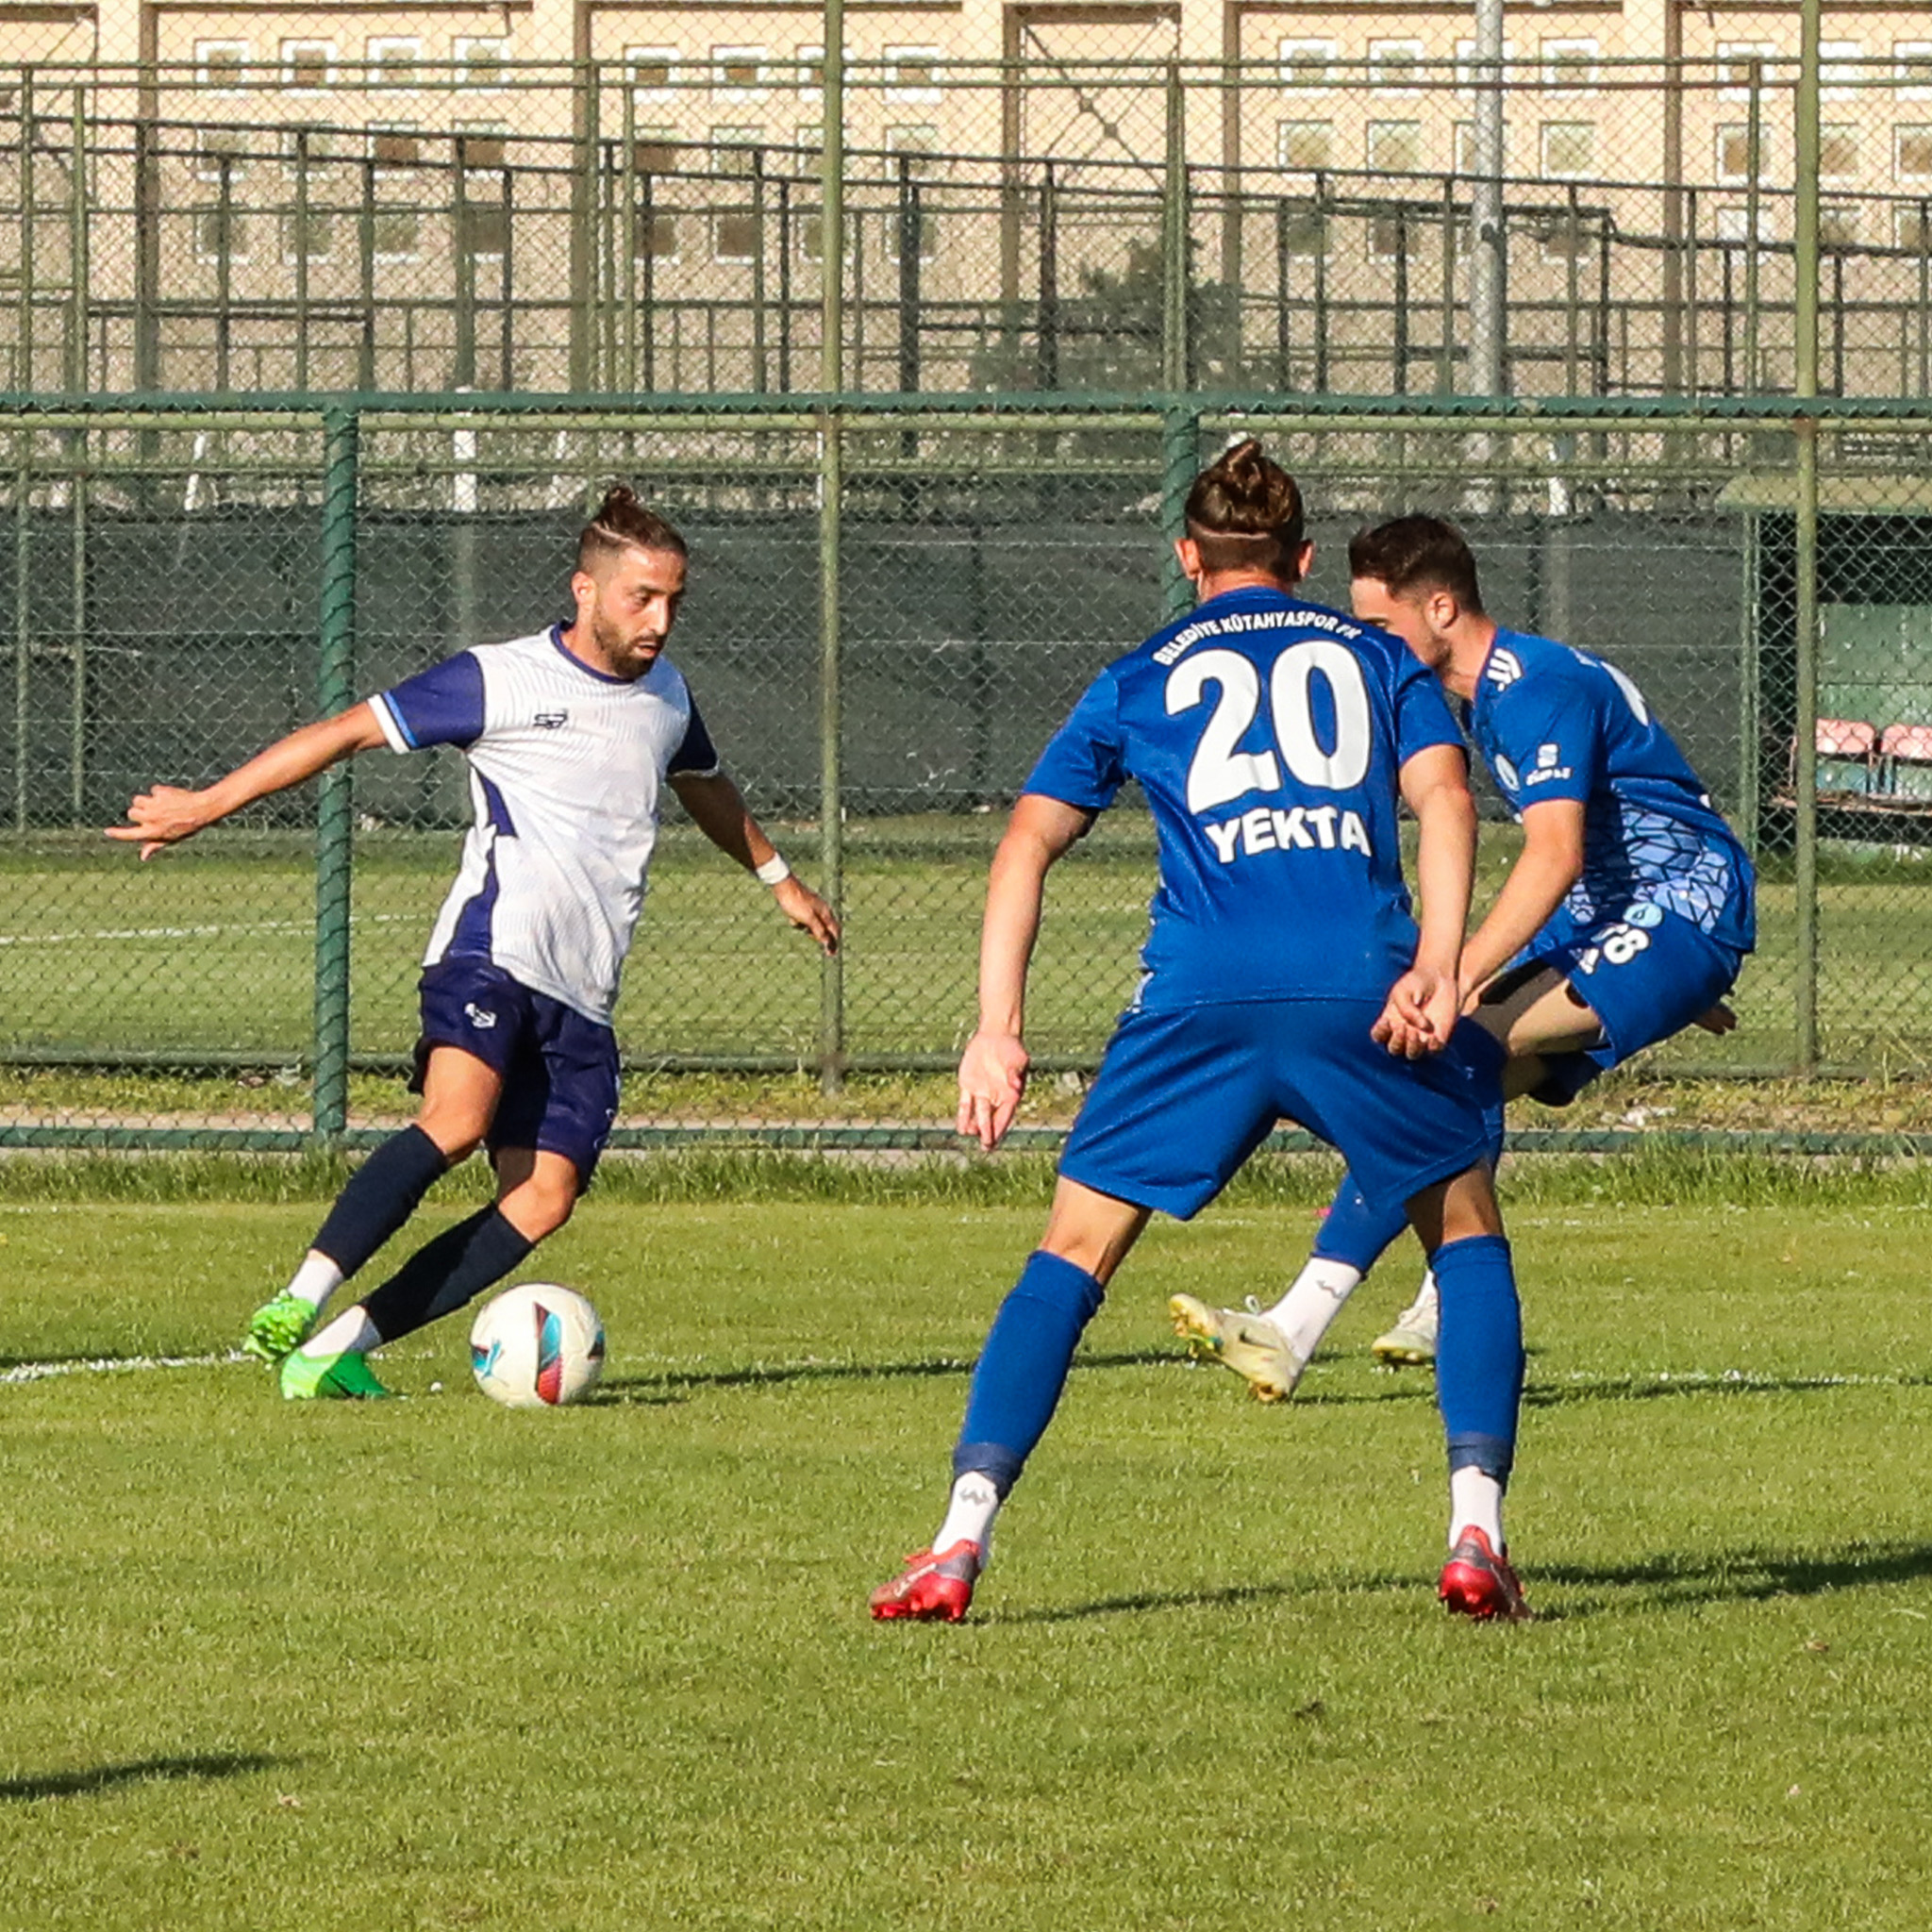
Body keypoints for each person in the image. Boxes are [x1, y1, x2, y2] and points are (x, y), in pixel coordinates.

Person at [870, 443, 1533, 1624]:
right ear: (1304, 559)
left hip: (1196, 998)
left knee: (1069, 1255)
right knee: (1464, 1230)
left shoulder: (1137, 675)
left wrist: (996, 1030)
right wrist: (1438, 962)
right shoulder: (1380, 655)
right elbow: (1444, 799)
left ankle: (957, 1540)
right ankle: (1473, 1530)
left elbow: (1023, 843)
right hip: (1356, 987)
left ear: (1187, 556)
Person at [108, 485, 838, 1399]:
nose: (659, 619)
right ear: (585, 589)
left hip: (584, 991)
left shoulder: (667, 696)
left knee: (543, 1197)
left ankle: (335, 1347)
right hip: (492, 951)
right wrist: (206, 805)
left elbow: (704, 782)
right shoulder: (498, 678)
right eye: (641, 598)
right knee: (456, 1118)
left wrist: (780, 879)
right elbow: (343, 732)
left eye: (673, 601)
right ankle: (300, 1294)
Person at [1170, 513, 1755, 1397]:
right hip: (1635, 920)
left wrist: (1455, 975)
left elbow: (1555, 855)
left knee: (1459, 1049)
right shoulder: (1493, 694)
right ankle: (1327, 1322)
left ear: (1441, 608)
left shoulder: (1533, 689)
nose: (1368, 643)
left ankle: (1387, 1307)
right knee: (1437, 1085)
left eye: (1379, 625)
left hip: (1676, 908)